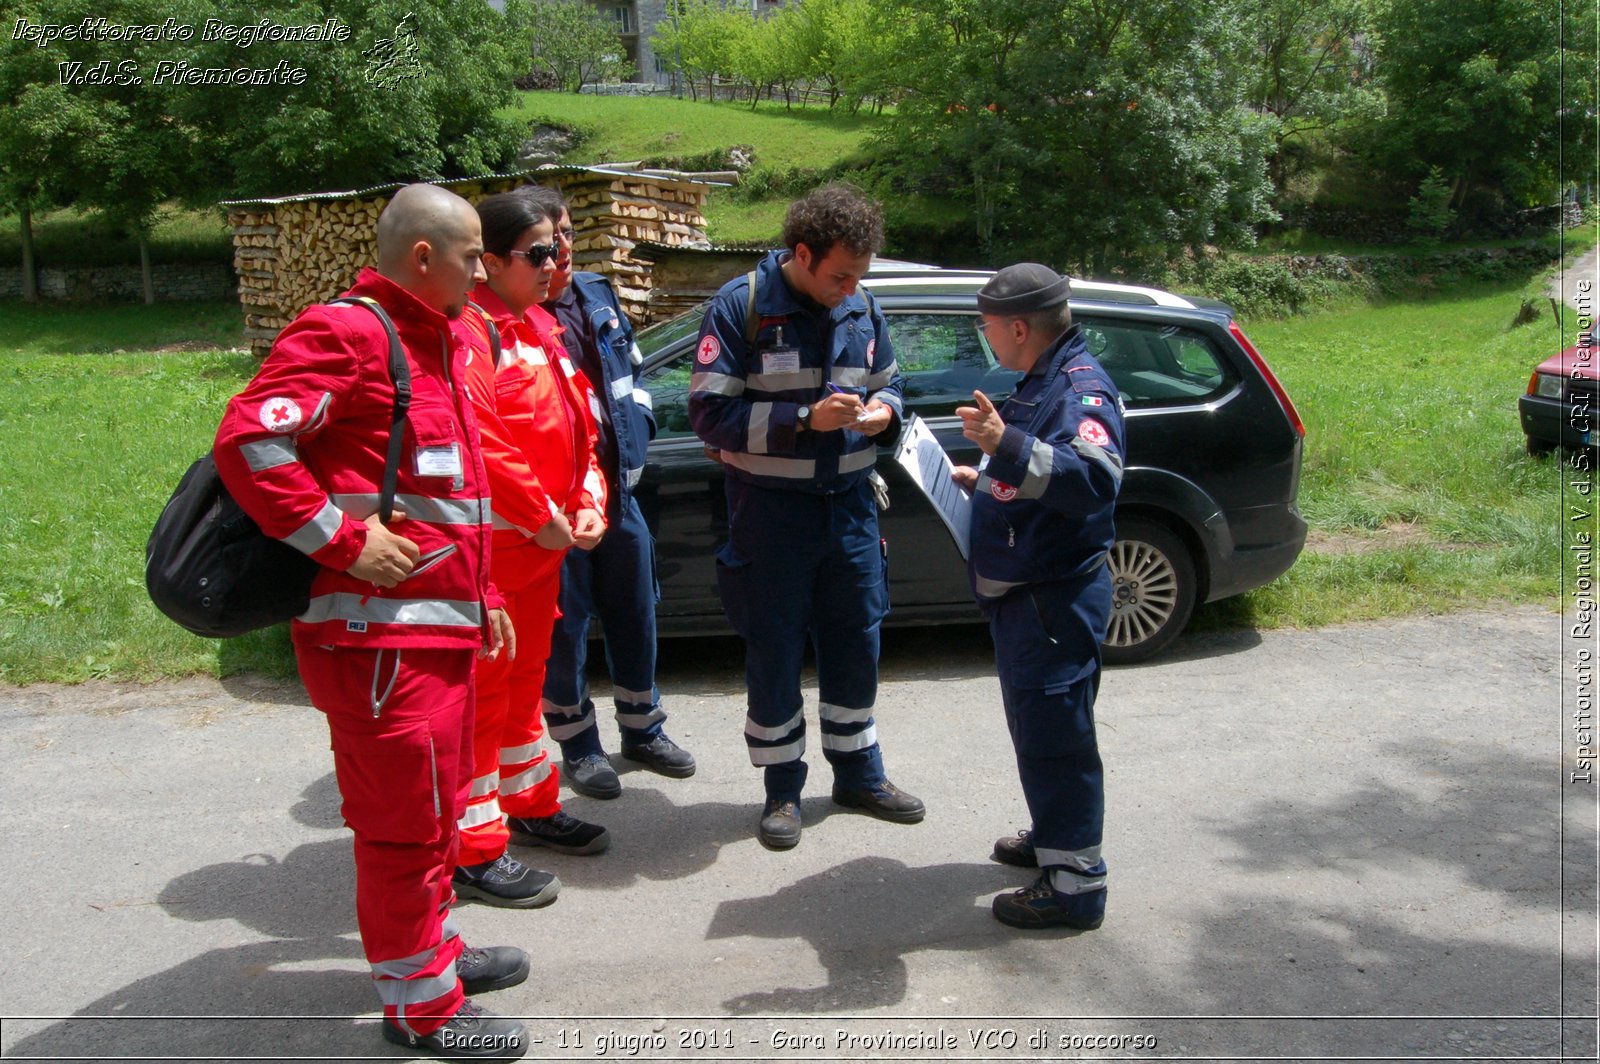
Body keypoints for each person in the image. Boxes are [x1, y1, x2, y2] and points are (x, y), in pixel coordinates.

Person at [213, 183, 528, 1059]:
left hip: (437, 633)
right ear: (423, 257)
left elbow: (449, 498)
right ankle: (422, 1010)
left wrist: (487, 596)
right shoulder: (350, 332)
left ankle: (433, 960)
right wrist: (343, 543)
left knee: (436, 820)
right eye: (473, 255)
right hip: (381, 644)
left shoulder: (440, 338)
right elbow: (250, 441)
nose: (485, 269)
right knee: (405, 830)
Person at [688, 183, 923, 850]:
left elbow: (893, 386)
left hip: (848, 511)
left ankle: (859, 774)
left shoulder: (861, 307)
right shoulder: (744, 306)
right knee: (775, 652)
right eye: (841, 275)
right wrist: (802, 420)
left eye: (860, 277)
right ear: (802, 254)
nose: (851, 289)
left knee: (857, 645)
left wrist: (883, 416)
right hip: (771, 517)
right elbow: (707, 413)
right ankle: (783, 790)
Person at [449, 190, 611, 909]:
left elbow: (582, 424)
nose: (555, 262)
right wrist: (543, 514)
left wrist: (587, 501)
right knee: (484, 702)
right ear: (488, 262)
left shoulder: (538, 324)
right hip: (494, 558)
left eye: (557, 247)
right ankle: (473, 852)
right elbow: (482, 438)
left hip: (540, 555)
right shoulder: (473, 332)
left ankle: (530, 805)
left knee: (524, 693)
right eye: (538, 252)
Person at [950, 263, 1124, 931]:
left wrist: (1005, 443)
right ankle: (1055, 838)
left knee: (1058, 738)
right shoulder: (1043, 378)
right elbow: (1039, 479)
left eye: (988, 326)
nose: (986, 336)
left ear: (1019, 327)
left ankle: (1076, 884)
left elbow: (1093, 479)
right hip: (1030, 599)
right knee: (1037, 728)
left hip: (1054, 601)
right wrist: (984, 479)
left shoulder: (1081, 389)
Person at [520, 183, 697, 800]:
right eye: (543, 243)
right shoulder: (511, 312)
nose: (559, 250)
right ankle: (578, 744)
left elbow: (637, 375)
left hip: (617, 492)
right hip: (551, 506)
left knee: (636, 611)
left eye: (566, 234)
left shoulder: (596, 294)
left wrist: (638, 436)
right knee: (563, 627)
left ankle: (643, 731)